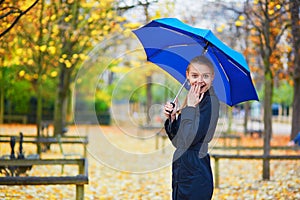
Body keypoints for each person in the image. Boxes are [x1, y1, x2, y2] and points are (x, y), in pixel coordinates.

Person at [164, 55, 220, 200]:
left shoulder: (210, 103)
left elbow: (191, 138)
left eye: (205, 76)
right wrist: (172, 118)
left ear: (212, 77)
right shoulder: (192, 98)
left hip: (196, 173)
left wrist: (190, 107)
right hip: (181, 171)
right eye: (195, 75)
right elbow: (178, 141)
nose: (200, 81)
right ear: (187, 76)